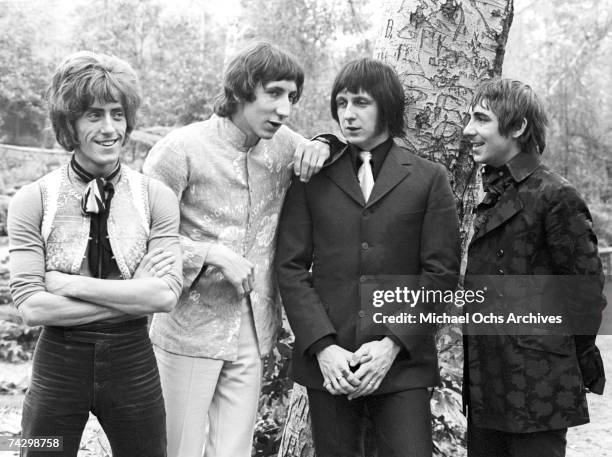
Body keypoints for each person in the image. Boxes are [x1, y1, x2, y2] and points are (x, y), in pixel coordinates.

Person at [142, 41, 331, 457]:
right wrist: (209, 254)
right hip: (188, 329)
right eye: (275, 93)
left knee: (234, 452)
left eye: (292, 98)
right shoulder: (179, 150)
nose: (285, 110)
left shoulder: (283, 146)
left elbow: (324, 151)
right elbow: (141, 236)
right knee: (177, 450)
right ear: (243, 89)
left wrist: (324, 141)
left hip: (255, 329)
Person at [275, 57, 461, 457]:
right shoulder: (313, 177)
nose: (348, 114)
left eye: (361, 102)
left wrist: (391, 345)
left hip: (402, 363)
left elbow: (440, 274)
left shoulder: (429, 179)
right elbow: (290, 267)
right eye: (341, 103)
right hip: (331, 366)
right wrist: (324, 348)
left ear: (387, 107)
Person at [7, 51, 182, 457]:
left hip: (133, 363)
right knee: (38, 450)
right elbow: (33, 309)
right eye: (94, 115)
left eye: (117, 115)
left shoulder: (156, 197)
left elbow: (166, 297)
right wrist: (133, 296)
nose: (109, 129)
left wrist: (69, 284)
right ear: (70, 123)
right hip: (57, 364)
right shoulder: (33, 200)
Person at [462, 78, 606, 457]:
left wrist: (555, 357)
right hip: (487, 385)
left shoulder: (556, 196)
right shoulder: (487, 196)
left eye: (481, 119)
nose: (468, 130)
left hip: (538, 390)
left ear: (518, 127)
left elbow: (585, 297)